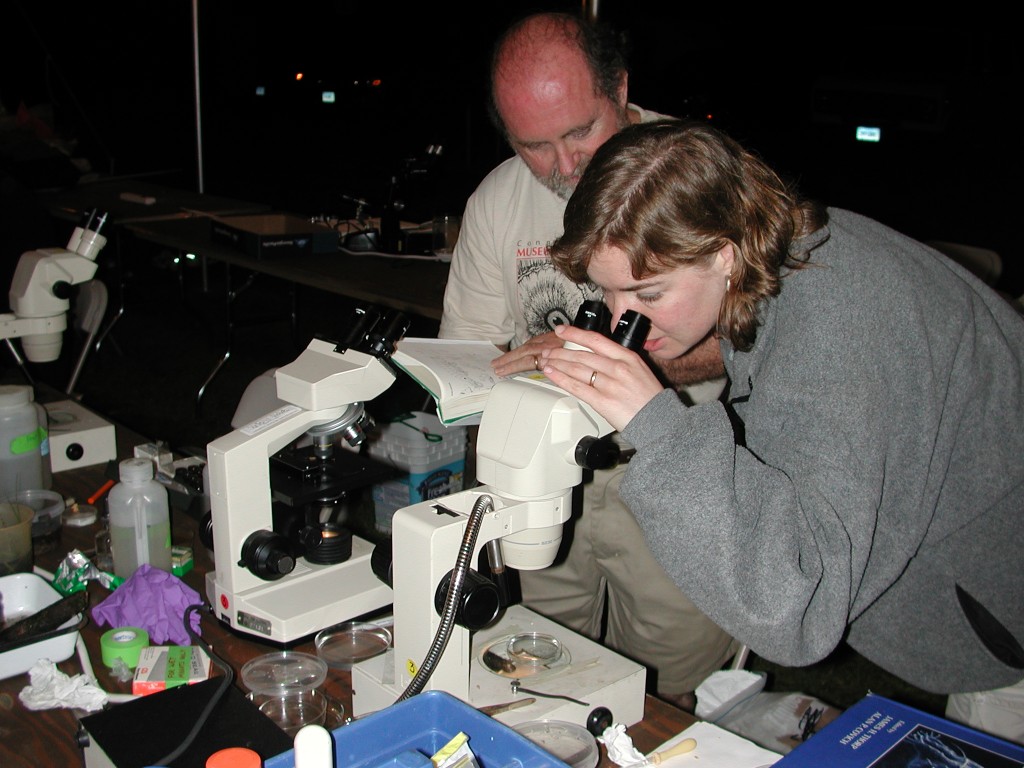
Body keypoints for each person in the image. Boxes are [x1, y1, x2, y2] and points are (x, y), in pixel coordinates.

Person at [540, 119, 1024, 742]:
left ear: (724, 252)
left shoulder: (837, 330)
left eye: (647, 293)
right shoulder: (795, 250)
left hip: (1004, 603)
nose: (621, 319)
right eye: (606, 294)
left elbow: (791, 605)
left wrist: (658, 427)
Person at [439, 12, 738, 708]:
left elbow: (763, 336)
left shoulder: (703, 174)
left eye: (580, 132)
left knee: (670, 685)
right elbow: (469, 350)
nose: (564, 166)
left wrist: (585, 356)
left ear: (622, 92)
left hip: (677, 465)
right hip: (542, 472)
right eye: (534, 145)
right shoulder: (497, 201)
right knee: (536, 665)